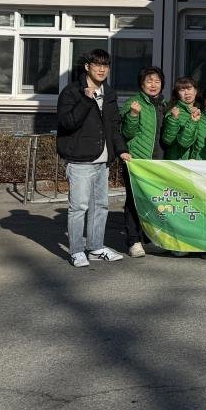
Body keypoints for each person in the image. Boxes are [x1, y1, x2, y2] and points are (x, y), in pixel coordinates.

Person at [57, 49, 130, 267]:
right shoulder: (72, 92)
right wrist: (85, 100)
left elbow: (114, 126)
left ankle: (96, 247)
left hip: (103, 160)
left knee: (101, 206)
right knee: (79, 207)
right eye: (97, 65)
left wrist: (121, 150)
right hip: (80, 159)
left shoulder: (109, 93)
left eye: (105, 65)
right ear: (87, 67)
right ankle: (76, 251)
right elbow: (67, 123)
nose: (101, 69)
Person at [121, 65, 166, 258]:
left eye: (157, 81)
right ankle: (134, 241)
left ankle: (149, 239)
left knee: (153, 201)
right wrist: (133, 115)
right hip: (137, 161)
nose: (153, 85)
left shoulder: (163, 104)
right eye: (149, 81)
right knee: (134, 201)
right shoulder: (133, 103)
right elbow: (126, 132)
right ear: (141, 84)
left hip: (157, 162)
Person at [161, 76, 200, 160]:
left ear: (196, 91)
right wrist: (173, 119)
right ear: (177, 94)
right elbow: (168, 141)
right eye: (182, 90)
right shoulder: (173, 112)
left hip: (197, 163)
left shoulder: (201, 111)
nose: (186, 93)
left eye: (189, 88)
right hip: (178, 161)